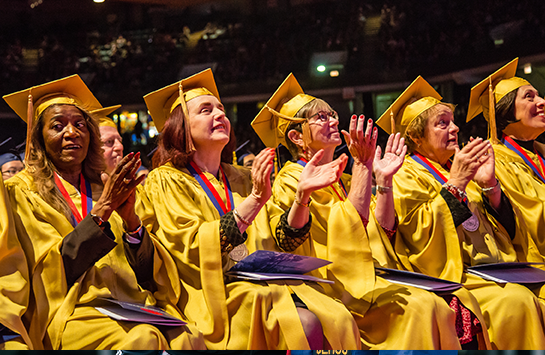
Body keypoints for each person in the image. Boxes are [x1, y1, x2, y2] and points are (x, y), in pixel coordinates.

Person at [252, 73, 487, 350]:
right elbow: (343, 234)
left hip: (367, 273)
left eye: (332, 114)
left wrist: (384, 182)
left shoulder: (345, 179)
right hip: (329, 282)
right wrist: (362, 165)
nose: (334, 121)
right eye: (321, 117)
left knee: (433, 305)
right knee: (422, 307)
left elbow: (381, 229)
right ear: (296, 136)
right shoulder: (291, 179)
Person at [131, 68, 360, 350]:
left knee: (338, 317)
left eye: (222, 110)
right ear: (181, 126)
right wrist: (253, 201)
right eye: (206, 110)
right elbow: (189, 248)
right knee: (303, 322)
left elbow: (284, 239)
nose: (220, 115)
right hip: (210, 290)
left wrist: (302, 197)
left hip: (261, 281)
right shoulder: (166, 180)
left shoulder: (242, 176)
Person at [2, 74, 205, 350]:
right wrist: (101, 213)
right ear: (38, 138)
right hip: (72, 311)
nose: (72, 132)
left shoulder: (106, 186)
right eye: (58, 126)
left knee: (188, 338)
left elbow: (148, 273)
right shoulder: (21, 192)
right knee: (143, 340)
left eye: (80, 125)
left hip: (131, 304)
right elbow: (50, 272)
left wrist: (132, 222)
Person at [379, 75, 545, 349]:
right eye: (442, 123)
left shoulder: (456, 167)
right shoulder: (406, 173)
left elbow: (505, 227)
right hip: (453, 274)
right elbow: (418, 236)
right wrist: (456, 185)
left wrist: (490, 185)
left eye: (453, 121)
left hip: (495, 268)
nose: (455, 128)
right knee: (518, 302)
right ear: (416, 136)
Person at [466, 58, 545, 265]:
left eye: (539, 95)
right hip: (533, 264)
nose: (542, 101)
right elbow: (524, 221)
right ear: (505, 111)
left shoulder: (540, 153)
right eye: (529, 97)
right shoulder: (495, 162)